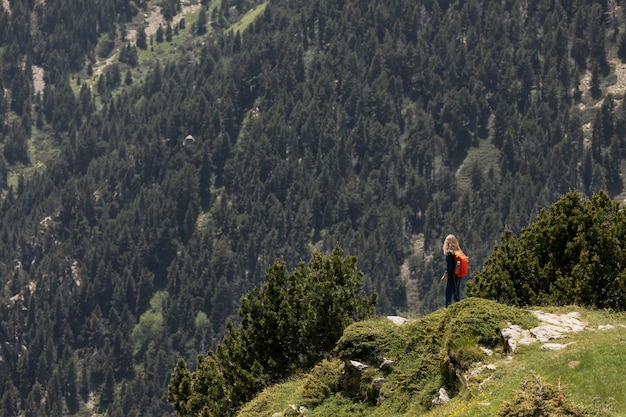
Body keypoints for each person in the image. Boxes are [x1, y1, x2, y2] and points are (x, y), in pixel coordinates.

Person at [441, 234, 462, 307]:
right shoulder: (458, 252)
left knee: (448, 295)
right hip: (458, 275)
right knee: (456, 293)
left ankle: (447, 310)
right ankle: (458, 308)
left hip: (452, 276)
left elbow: (449, 268)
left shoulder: (449, 254)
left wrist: (444, 276)